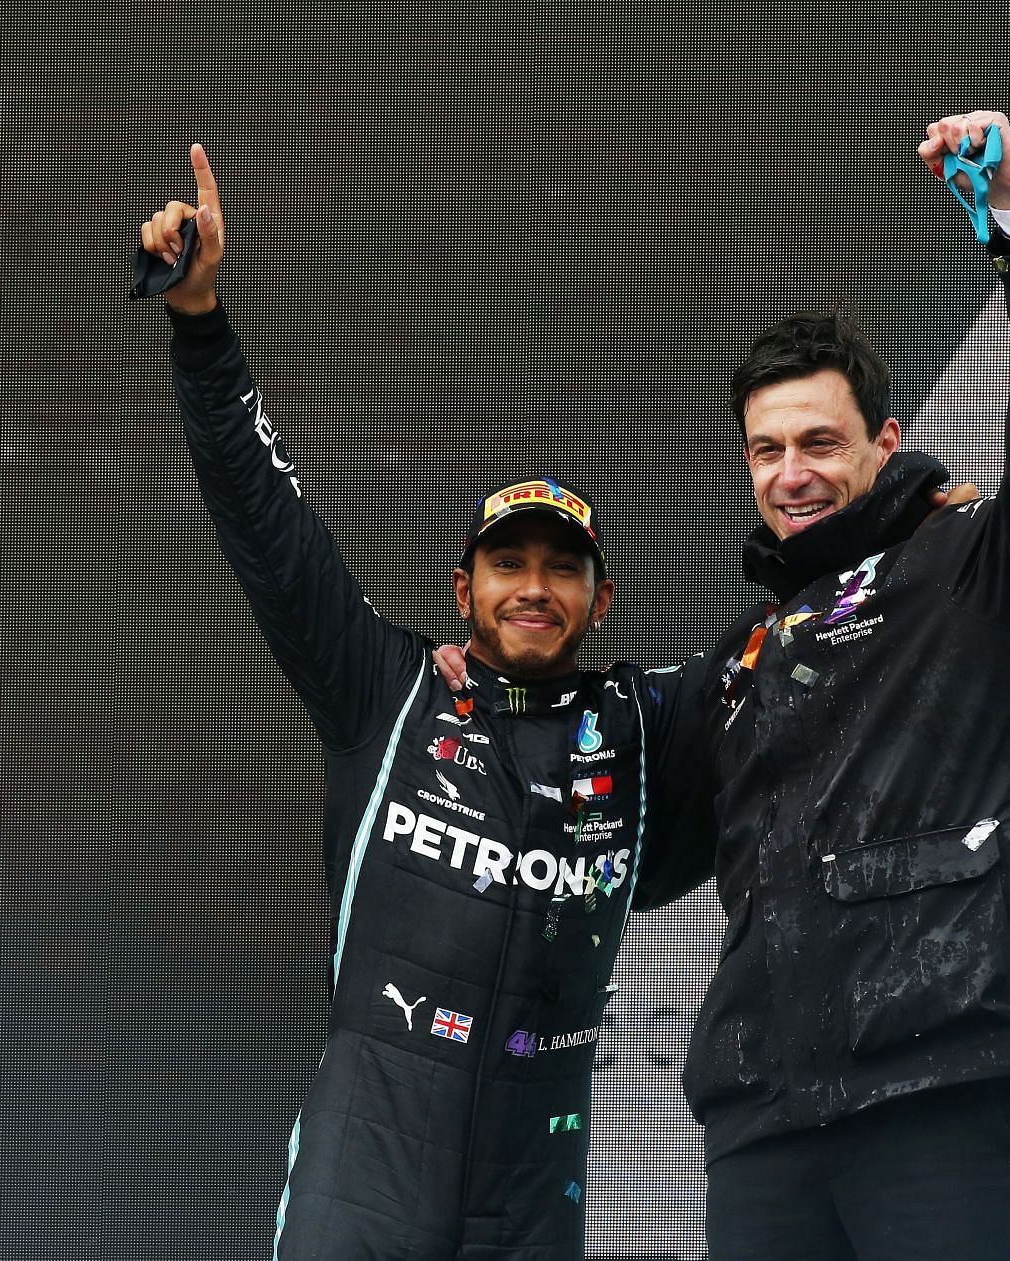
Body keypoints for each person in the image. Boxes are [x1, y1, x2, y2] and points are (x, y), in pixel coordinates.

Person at [135, 145, 717, 1260]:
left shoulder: (640, 729)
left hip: (533, 1183)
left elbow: (783, 653)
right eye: (509, 564)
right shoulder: (385, 690)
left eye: (562, 569)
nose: (534, 588)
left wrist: (900, 516)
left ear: (603, 599)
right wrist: (201, 322)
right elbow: (266, 522)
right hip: (367, 1168)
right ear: (466, 588)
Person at [678, 110, 1010, 1259]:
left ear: (884, 440)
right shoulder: (742, 648)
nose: (793, 473)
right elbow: (616, 818)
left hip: (941, 1080)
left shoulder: (973, 558)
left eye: (820, 443)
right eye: (768, 450)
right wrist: (483, 686)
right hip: (764, 1116)